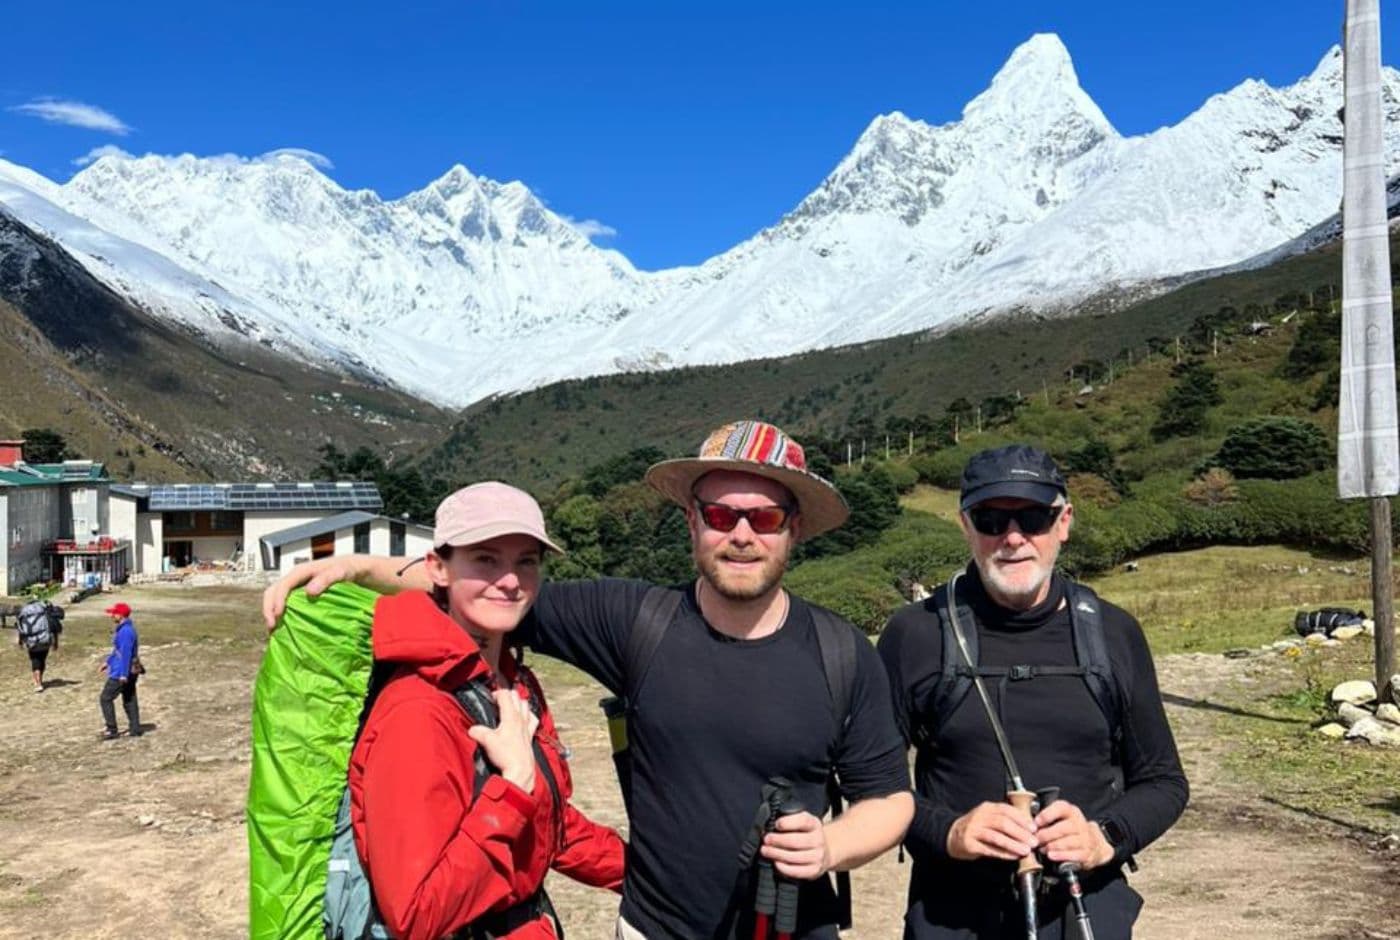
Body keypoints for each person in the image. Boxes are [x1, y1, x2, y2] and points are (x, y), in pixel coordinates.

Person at [264, 421, 913, 940]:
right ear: (692, 521)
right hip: (652, 929)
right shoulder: (635, 620)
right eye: (720, 515)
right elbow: (489, 589)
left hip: (795, 926)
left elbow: (890, 801)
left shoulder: (843, 653)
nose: (741, 535)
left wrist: (830, 844)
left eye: (765, 517)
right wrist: (354, 565)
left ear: (793, 528)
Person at [877, 444, 1188, 939]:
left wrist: (1103, 837)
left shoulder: (1114, 632)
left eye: (1033, 518)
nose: (1013, 538)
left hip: (1083, 911)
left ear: (1063, 521)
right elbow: (874, 787)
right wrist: (949, 832)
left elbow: (1164, 780)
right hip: (950, 916)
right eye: (991, 519)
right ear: (965, 525)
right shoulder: (914, 634)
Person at [350, 481, 623, 940]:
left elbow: (547, 829)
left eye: (526, 561)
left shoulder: (513, 684)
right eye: (486, 559)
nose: (511, 580)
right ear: (438, 568)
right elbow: (416, 916)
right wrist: (513, 785)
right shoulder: (418, 710)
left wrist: (647, 877)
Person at [98, 601, 142, 739]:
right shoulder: (125, 629)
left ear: (120, 615)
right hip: (126, 669)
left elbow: (126, 654)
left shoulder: (126, 632)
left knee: (105, 698)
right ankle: (135, 729)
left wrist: (123, 674)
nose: (112, 616)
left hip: (121, 672)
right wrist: (108, 662)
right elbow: (117, 651)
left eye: (114, 613)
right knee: (129, 698)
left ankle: (112, 729)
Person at [16, 597, 63, 692]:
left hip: (31, 641)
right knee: (42, 659)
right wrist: (55, 642)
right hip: (45, 640)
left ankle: (37, 682)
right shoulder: (44, 611)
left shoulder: (25, 613)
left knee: (35, 660)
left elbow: (21, 629)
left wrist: (20, 642)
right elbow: (53, 626)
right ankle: (39, 680)